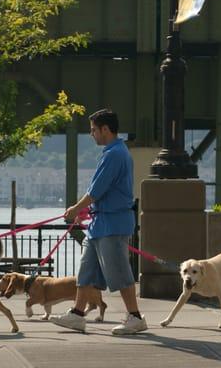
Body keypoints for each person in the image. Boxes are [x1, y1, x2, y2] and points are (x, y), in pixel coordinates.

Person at [50, 108, 147, 335]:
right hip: (101, 224)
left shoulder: (114, 154)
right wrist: (87, 210)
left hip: (111, 225)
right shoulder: (115, 152)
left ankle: (134, 317)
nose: (92, 134)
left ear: (105, 129)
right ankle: (77, 314)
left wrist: (75, 209)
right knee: (87, 271)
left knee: (120, 272)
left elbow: (96, 190)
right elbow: (101, 193)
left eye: (94, 130)